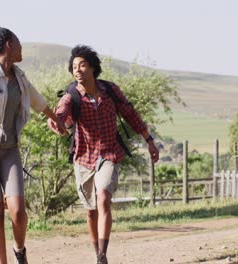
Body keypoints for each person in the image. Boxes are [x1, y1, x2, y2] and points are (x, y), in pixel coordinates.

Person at [48, 45, 159, 264]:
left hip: (109, 153)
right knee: (90, 211)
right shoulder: (72, 96)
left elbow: (131, 114)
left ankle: (102, 256)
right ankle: (96, 249)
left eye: (82, 65)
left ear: (92, 68)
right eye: (73, 67)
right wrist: (57, 122)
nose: (77, 70)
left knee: (103, 198)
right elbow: (61, 113)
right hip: (83, 158)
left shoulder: (110, 91)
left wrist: (149, 140)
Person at [0, 23, 65, 264]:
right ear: (9, 45)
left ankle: (19, 251)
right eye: (19, 43)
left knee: (19, 212)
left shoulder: (19, 77)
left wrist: (56, 121)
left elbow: (38, 101)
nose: (22, 48)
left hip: (10, 150)